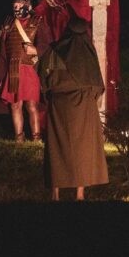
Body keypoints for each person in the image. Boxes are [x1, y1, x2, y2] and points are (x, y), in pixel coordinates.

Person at [37, 17, 109, 200]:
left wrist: (50, 93)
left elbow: (44, 77)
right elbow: (96, 83)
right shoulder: (87, 51)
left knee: (57, 148)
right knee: (82, 149)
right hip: (83, 105)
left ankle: (55, 193)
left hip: (59, 105)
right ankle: (79, 193)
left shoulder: (54, 51)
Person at [0, 0, 45, 142]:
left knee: (31, 105)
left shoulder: (38, 22)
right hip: (13, 70)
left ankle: (36, 138)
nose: (16, 8)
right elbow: (3, 50)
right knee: (15, 105)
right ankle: (19, 138)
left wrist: (36, 50)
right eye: (14, 6)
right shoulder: (8, 25)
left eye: (19, 5)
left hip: (30, 69)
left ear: (28, 7)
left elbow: (46, 45)